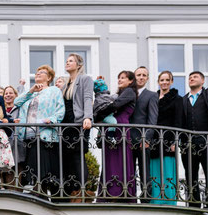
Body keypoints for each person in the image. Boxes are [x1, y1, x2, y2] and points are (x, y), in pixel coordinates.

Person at [14, 65, 65, 198]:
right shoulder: (32, 93)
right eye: (36, 72)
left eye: (42, 73)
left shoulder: (54, 90)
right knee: (32, 164)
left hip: (45, 133)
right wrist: (30, 90)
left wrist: (52, 119)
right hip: (28, 134)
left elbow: (60, 110)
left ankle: (40, 193)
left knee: (42, 165)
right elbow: (16, 102)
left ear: (49, 78)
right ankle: (36, 190)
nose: (38, 74)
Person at [60, 53, 94, 199]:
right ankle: (70, 191)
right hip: (65, 124)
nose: (67, 63)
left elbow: (87, 98)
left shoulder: (85, 79)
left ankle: (81, 190)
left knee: (77, 156)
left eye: (71, 61)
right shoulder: (66, 83)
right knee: (66, 158)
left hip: (78, 122)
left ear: (79, 65)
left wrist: (88, 117)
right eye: (67, 61)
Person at [101, 71, 137, 202]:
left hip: (120, 127)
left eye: (123, 78)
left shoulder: (129, 92)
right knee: (111, 159)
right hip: (114, 126)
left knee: (119, 159)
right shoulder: (121, 93)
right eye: (119, 78)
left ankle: (119, 192)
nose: (120, 80)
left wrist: (99, 113)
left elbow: (116, 105)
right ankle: (110, 191)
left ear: (130, 81)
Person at [150, 71, 183, 204]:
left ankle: (169, 200)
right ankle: (156, 199)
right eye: (162, 80)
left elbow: (178, 121)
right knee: (154, 168)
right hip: (154, 138)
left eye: (167, 80)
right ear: (158, 82)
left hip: (169, 138)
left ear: (171, 82)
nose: (164, 82)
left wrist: (176, 140)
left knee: (168, 169)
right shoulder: (154, 97)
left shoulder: (177, 98)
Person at [181, 71, 208, 208]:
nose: (191, 79)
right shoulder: (183, 99)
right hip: (188, 144)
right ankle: (194, 204)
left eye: (195, 77)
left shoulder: (207, 95)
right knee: (190, 175)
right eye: (190, 77)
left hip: (206, 142)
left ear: (203, 81)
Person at [131, 66, 159, 201]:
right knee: (128, 168)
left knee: (144, 170)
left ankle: (146, 197)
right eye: (138, 75)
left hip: (143, 139)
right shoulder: (128, 92)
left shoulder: (152, 95)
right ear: (134, 77)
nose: (141, 77)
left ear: (147, 78)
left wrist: (146, 138)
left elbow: (152, 119)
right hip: (127, 138)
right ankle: (128, 196)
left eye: (144, 75)